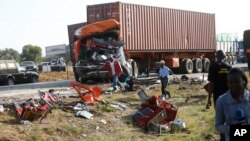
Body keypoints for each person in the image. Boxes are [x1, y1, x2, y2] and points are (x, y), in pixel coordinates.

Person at [215, 68, 250, 141]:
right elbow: (218, 125)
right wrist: (230, 129)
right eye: (230, 82)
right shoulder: (221, 101)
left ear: (243, 81)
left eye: (237, 81)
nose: (234, 85)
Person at [207, 50, 232, 141]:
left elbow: (211, 84)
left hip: (217, 97)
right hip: (229, 97)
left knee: (220, 118)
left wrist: (209, 99)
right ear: (224, 57)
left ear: (216, 56)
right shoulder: (229, 67)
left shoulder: (213, 67)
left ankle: (223, 138)